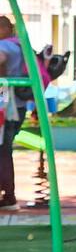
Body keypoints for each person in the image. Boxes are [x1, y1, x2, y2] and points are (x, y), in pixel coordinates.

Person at [0, 14, 28, 208]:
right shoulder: (21, 45)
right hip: (18, 105)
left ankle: (9, 195)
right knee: (4, 150)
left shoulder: (6, 46)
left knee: (3, 151)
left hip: (6, 107)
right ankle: (8, 193)